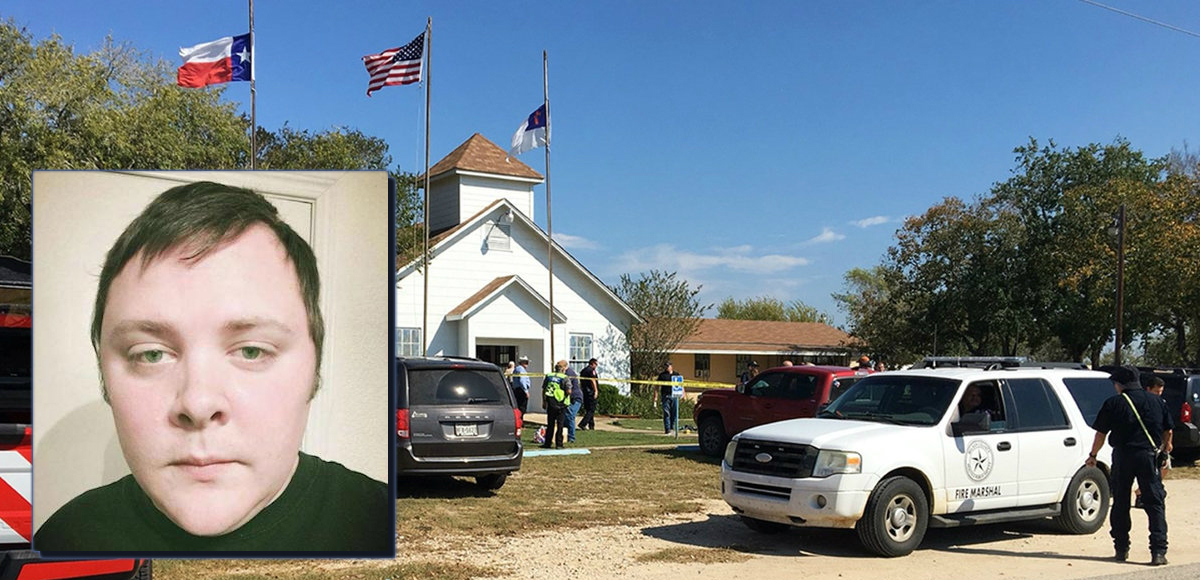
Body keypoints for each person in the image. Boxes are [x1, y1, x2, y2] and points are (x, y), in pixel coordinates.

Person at [33, 181, 390, 553]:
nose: (198, 404)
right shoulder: (62, 540)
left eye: (251, 351)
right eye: (150, 354)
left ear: (314, 371)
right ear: (104, 376)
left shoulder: (377, 524)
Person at [1085, 365, 1173, 566]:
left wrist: (1093, 455)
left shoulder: (1113, 403)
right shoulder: (1157, 401)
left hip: (1123, 456)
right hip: (1148, 456)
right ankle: (1158, 552)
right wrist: (1164, 449)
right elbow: (1168, 431)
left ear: (1120, 384)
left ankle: (1121, 548)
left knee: (1121, 503)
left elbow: (1101, 433)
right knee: (1155, 503)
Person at [1135, 376, 1171, 509]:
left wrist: (1168, 443)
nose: (1159, 394)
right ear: (1148, 389)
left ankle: (1143, 491)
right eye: (1156, 391)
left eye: (1161, 391)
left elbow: (1168, 427)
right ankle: (1142, 494)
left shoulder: (1161, 402)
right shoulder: (1142, 403)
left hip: (1159, 439)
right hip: (1146, 443)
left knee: (1165, 467)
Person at [540, 360, 570, 449]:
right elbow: (568, 390)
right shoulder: (565, 378)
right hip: (561, 403)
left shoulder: (549, 376)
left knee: (550, 424)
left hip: (550, 402)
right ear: (564, 368)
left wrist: (544, 401)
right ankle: (559, 444)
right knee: (560, 424)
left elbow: (544, 389)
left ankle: (547, 443)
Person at [657, 362, 683, 434]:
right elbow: (657, 386)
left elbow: (681, 385)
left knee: (674, 413)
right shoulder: (662, 375)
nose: (667, 367)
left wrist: (683, 394)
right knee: (666, 413)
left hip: (674, 396)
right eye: (666, 366)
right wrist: (655, 397)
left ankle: (672, 427)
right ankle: (667, 429)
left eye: (668, 366)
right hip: (665, 396)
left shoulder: (676, 375)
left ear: (671, 366)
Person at [564, 363, 583, 443]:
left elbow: (568, 387)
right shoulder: (566, 373)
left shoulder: (569, 373)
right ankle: (564, 435)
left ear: (564, 367)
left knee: (570, 415)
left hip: (576, 398)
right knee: (565, 416)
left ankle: (571, 438)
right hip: (570, 398)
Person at [578, 358, 599, 431]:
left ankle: (591, 425)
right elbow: (593, 381)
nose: (596, 366)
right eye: (596, 364)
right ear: (592, 363)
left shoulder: (583, 371)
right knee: (591, 409)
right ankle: (583, 423)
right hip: (591, 392)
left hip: (585, 392)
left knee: (588, 409)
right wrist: (596, 391)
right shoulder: (591, 371)